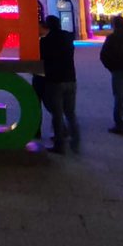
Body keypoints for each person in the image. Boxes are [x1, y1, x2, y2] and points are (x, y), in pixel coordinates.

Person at [38, 15, 79, 154]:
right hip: (71, 78)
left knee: (57, 113)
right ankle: (76, 143)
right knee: (70, 113)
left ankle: (59, 145)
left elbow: (42, 59)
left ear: (48, 26)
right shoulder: (68, 37)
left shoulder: (45, 41)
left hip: (55, 80)